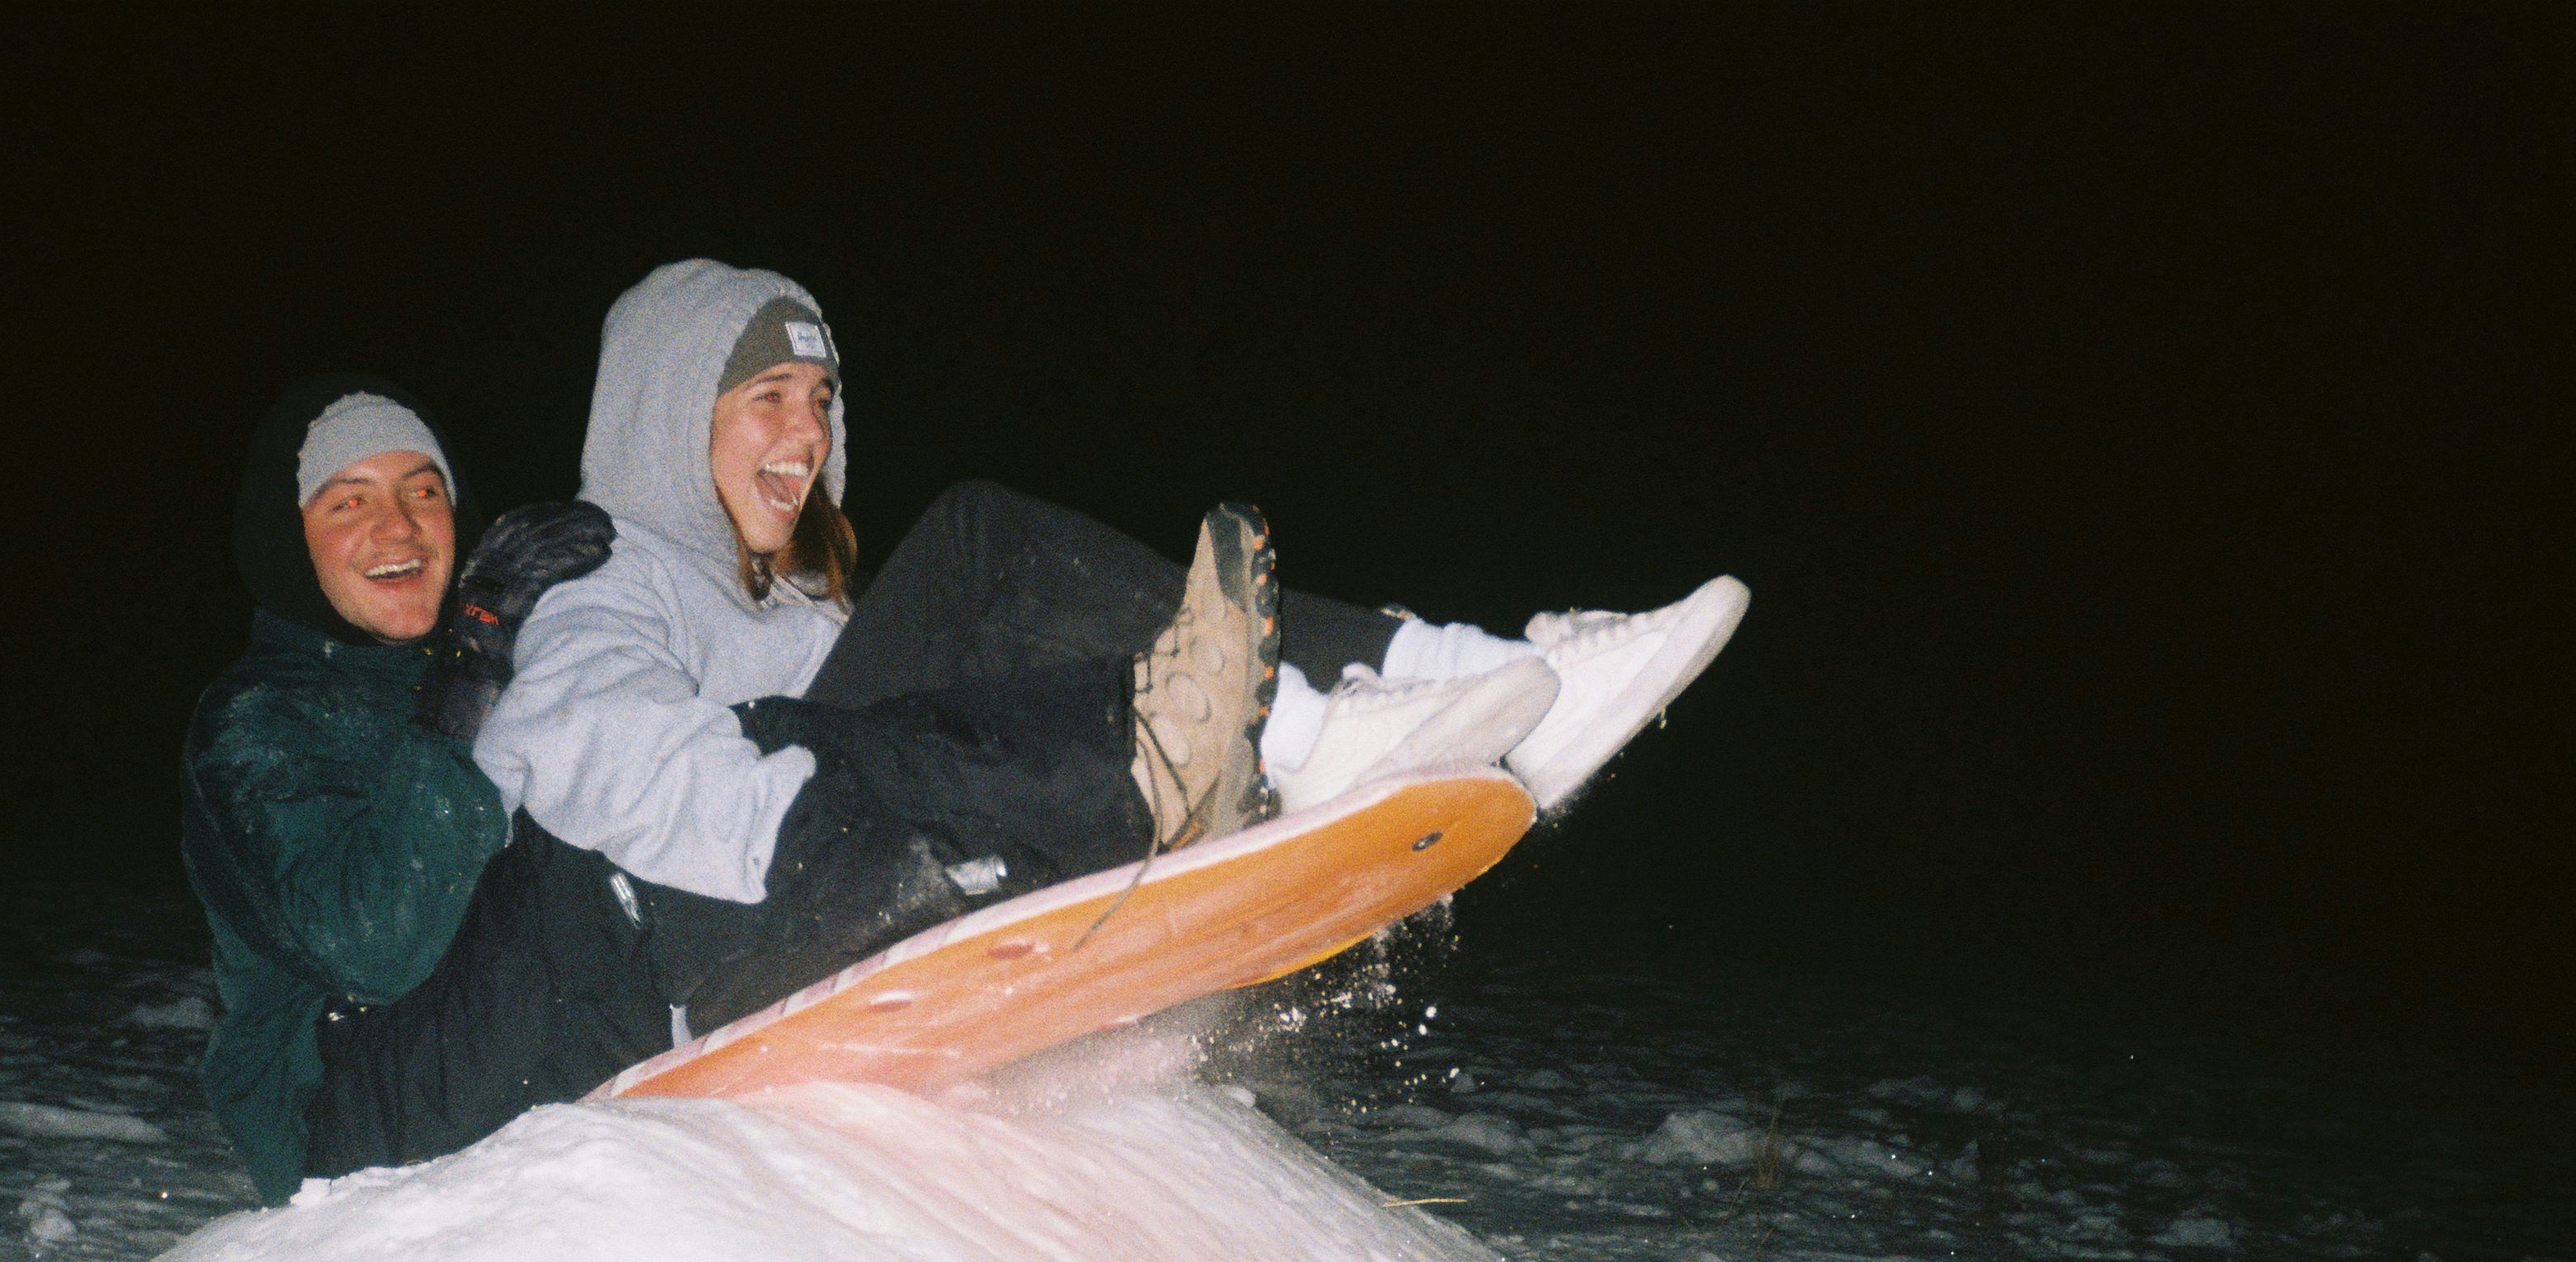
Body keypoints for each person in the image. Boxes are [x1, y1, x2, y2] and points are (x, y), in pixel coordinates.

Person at [474, 259, 1748, 1039]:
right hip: (737, 926)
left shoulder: (808, 621)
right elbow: (572, 742)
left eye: (820, 401)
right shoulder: (611, 577)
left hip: (829, 871)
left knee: (1005, 662)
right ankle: (1348, 709)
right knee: (978, 552)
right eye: (766, 400)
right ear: (663, 414)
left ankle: (1403, 692)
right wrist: (809, 833)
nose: (804, 435)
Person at [180, 376, 634, 1201]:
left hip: (496, 1042)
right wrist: (467, 682)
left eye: (423, 491)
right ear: (292, 540)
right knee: (584, 856)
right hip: (339, 1107)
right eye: (347, 503)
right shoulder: (258, 721)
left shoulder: (478, 668)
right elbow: (372, 946)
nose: (400, 526)